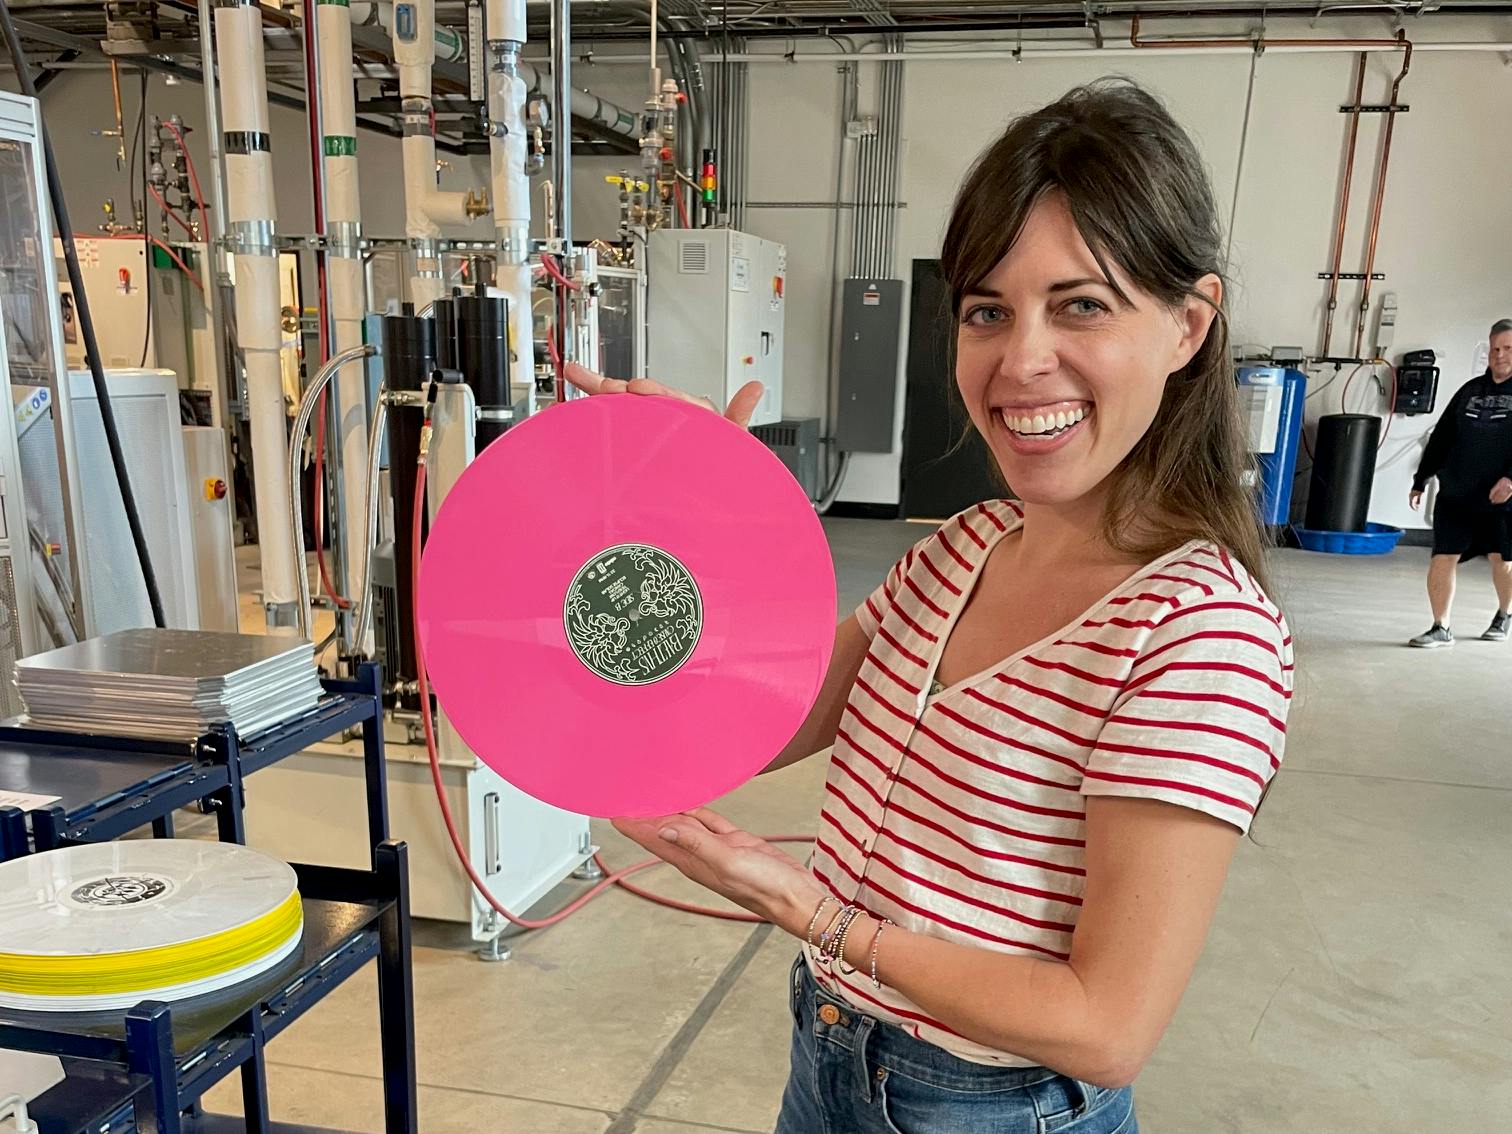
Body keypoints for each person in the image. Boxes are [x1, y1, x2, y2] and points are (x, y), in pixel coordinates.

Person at [568, 79, 1290, 1134]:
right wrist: (704, 528)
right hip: (833, 1045)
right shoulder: (966, 546)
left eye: (1080, 304)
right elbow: (763, 718)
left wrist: (810, 912)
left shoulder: (1197, 639)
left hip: (993, 1106)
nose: (1021, 359)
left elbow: (1106, 1025)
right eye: (987, 311)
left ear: (1188, 325)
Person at [1406, 320, 1512, 647]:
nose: (1500, 355)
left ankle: (1504, 615)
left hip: (1502, 500)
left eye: (1508, 348)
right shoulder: (1469, 392)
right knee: (1443, 557)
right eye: (1495, 348)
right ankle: (1441, 626)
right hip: (1457, 494)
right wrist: (1421, 478)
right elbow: (1442, 436)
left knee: (1502, 561)